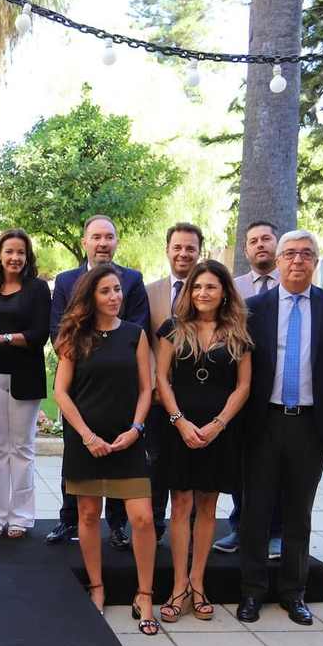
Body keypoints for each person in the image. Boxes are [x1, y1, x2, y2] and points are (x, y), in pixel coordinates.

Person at [237, 230, 323, 625]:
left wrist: (319, 395)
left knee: (298, 511)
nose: (298, 261)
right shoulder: (254, 308)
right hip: (263, 421)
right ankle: (252, 592)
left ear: (316, 262)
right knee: (256, 509)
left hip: (310, 423)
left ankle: (293, 592)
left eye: (307, 254)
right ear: (278, 259)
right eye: (290, 253)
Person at [54, 264, 159, 634]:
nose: (115, 296)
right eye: (106, 291)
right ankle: (96, 588)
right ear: (90, 297)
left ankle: (144, 594)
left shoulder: (135, 334)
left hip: (127, 439)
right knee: (86, 516)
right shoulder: (74, 334)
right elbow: (61, 393)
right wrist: (86, 436)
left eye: (118, 290)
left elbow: (148, 388)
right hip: (86, 441)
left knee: (143, 518)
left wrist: (136, 428)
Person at [154, 259, 251, 623]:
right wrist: (180, 422)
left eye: (210, 287)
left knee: (208, 506)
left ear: (224, 291)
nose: (202, 293)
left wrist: (218, 424)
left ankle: (198, 583)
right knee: (180, 505)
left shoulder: (239, 331)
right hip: (179, 429)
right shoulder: (172, 329)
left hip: (219, 432)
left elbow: (243, 386)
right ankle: (179, 585)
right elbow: (161, 379)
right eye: (196, 287)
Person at [46, 215, 151, 548]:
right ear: (85, 243)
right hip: (81, 376)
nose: (103, 242)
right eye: (96, 237)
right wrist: (79, 356)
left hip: (121, 380)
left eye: (109, 237)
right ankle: (68, 520)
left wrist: (112, 354)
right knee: (77, 459)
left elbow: (137, 325)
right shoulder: (65, 281)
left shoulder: (133, 279)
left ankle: (118, 526)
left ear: (117, 242)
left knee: (122, 455)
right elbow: (58, 328)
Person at [0, 228, 51, 537]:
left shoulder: (37, 290)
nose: (15, 257)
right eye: (9, 251)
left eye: (21, 252)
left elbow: (39, 335)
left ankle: (20, 517)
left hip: (25, 377)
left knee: (22, 448)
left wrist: (4, 338)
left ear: (28, 256)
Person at [218, 218, 282, 555]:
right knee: (243, 465)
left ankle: (276, 530)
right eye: (254, 241)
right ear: (245, 250)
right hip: (243, 388)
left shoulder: (292, 283)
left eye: (266, 239)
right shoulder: (234, 288)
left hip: (283, 390)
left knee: (280, 468)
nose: (261, 245)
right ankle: (240, 526)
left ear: (277, 245)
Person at [143, 222, 204, 543]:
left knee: (191, 467)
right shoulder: (148, 291)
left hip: (197, 397)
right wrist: (154, 380)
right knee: (155, 462)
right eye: (177, 247)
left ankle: (190, 530)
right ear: (167, 250)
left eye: (190, 248)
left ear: (199, 252)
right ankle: (153, 528)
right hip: (155, 395)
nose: (183, 253)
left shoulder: (211, 293)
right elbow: (141, 341)